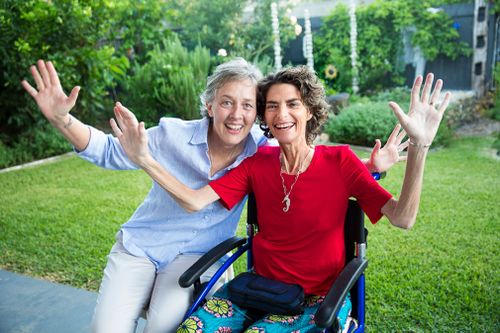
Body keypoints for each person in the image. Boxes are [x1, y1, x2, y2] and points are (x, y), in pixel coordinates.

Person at [22, 59, 405, 333]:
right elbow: (109, 149)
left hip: (196, 257)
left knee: (164, 324)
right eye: (226, 102)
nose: (236, 114)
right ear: (209, 105)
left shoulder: (260, 148)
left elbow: (325, 169)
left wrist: (378, 168)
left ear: (257, 116)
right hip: (143, 247)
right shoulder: (179, 137)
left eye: (249, 106)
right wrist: (62, 119)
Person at [110, 65, 450, 332]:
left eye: (292, 104)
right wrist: (145, 160)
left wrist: (419, 147)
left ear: (310, 112)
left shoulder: (341, 162)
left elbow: (402, 218)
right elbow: (195, 200)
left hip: (315, 301)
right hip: (254, 291)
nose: (281, 113)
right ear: (264, 118)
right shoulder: (257, 164)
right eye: (272, 106)